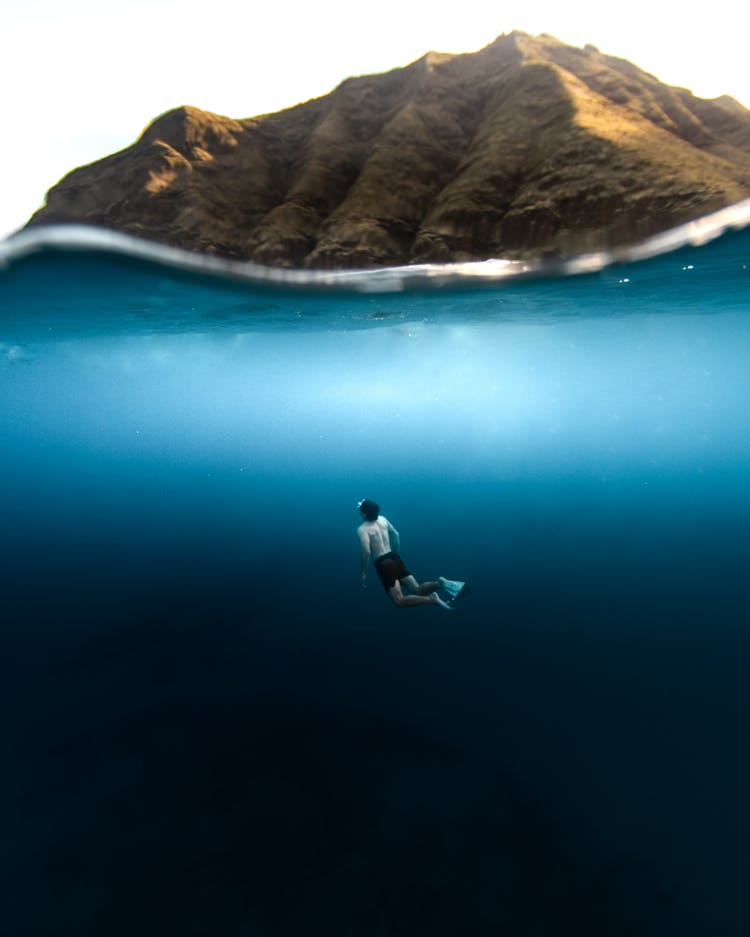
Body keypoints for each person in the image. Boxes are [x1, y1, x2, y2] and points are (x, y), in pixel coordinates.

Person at [356, 498, 465, 610]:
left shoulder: (362, 529)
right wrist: (395, 553)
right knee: (417, 589)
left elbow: (366, 551)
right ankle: (440, 584)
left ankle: (432, 599)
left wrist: (363, 572)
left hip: (384, 564)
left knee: (399, 600)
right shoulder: (383, 519)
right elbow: (395, 534)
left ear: (364, 513)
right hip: (394, 557)